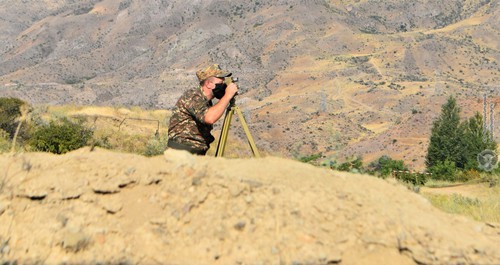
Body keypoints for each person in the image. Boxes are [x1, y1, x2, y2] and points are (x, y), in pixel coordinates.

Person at [166, 64, 238, 155]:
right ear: (208, 84)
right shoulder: (193, 96)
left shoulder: (205, 101)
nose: (224, 83)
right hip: (182, 152)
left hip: (193, 152)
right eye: (221, 81)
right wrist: (228, 95)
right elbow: (209, 118)